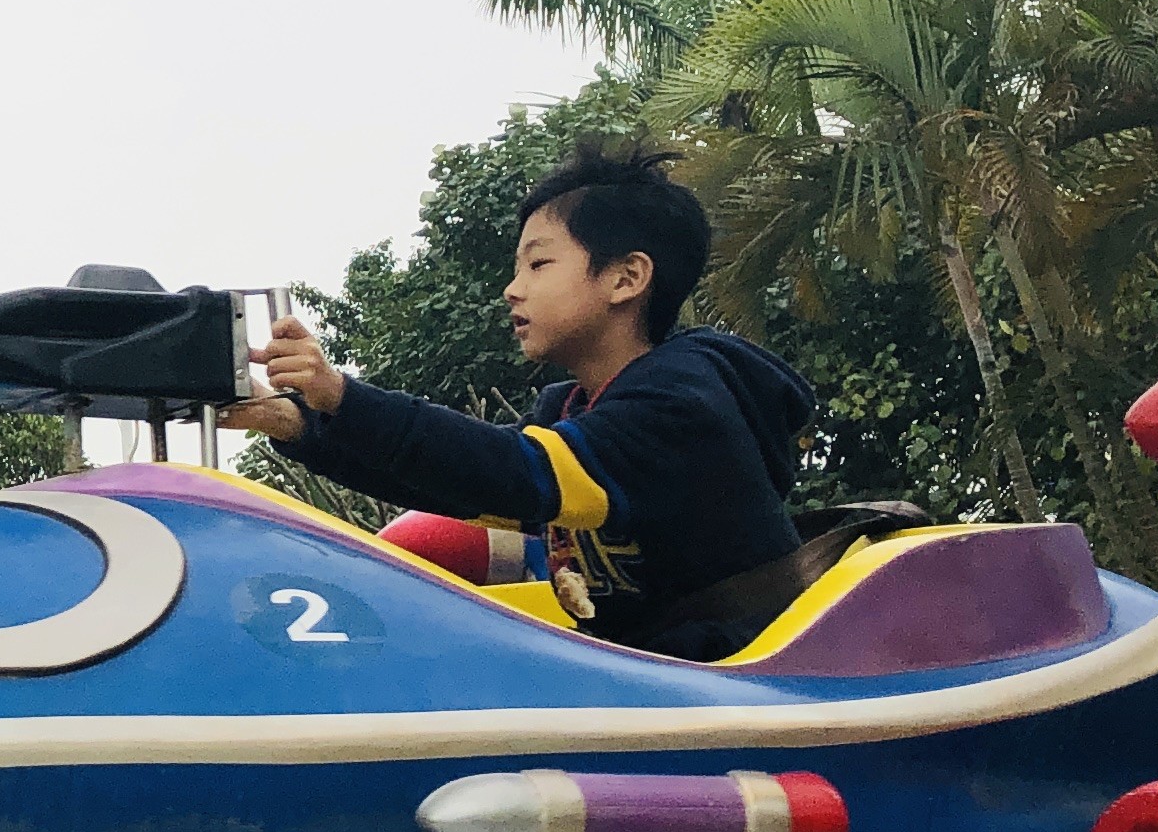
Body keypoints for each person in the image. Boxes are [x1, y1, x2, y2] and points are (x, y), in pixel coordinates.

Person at [222, 144, 819, 658]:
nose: (513, 289)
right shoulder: (571, 409)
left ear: (626, 278)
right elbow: (460, 486)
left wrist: (343, 396)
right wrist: (297, 425)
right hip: (663, 678)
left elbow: (512, 470)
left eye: (538, 263)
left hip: (747, 683)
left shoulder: (681, 403)